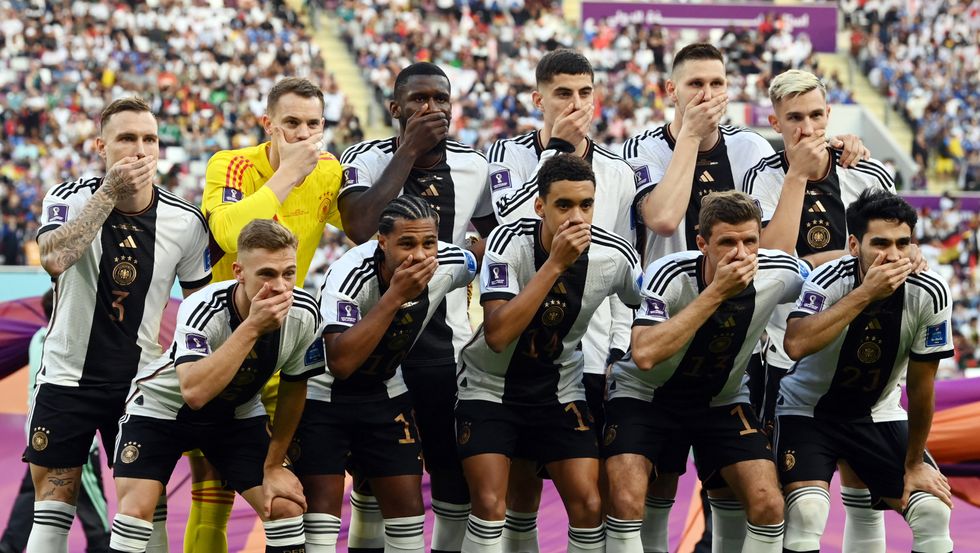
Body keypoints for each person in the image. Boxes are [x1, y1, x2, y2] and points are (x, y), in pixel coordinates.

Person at [621, 43, 867, 552]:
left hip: (740, 341)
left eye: (716, 84)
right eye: (694, 85)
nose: (706, 95)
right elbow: (664, 219)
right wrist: (689, 135)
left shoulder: (753, 149)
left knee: (734, 484)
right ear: (671, 90)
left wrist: (840, 146)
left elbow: (789, 217)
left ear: (729, 89)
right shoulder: (640, 148)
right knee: (657, 484)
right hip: (667, 319)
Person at [27, 97, 212, 553]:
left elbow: (199, 307)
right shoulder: (68, 197)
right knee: (53, 510)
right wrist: (108, 193)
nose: (140, 149)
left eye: (149, 139)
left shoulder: (186, 222)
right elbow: (54, 258)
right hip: (66, 381)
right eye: (127, 138)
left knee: (146, 513)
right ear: (101, 146)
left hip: (142, 389)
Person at [338, 62, 496, 553]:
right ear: (396, 109)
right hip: (375, 340)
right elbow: (360, 226)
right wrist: (408, 150)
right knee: (371, 473)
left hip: (441, 345)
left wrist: (473, 255)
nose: (432, 109)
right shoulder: (362, 159)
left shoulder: (474, 166)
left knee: (450, 470)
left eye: (441, 100)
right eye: (419, 101)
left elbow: (491, 235)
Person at [740, 69, 898, 550]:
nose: (806, 128)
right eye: (794, 119)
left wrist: (815, 263)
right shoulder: (763, 176)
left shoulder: (865, 172)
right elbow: (769, 265)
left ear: (829, 116)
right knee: (796, 501)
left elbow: (891, 257)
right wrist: (795, 176)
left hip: (858, 346)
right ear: (775, 122)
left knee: (865, 489)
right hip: (787, 356)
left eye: (815, 115)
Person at [486, 49, 636, 552]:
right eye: (562, 94)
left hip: (588, 354)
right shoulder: (504, 156)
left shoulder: (618, 170)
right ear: (538, 99)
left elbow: (621, 265)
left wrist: (618, 347)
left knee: (594, 494)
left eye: (584, 92)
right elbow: (511, 227)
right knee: (521, 486)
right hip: (517, 354)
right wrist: (557, 152)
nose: (575, 103)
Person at [455, 155, 642, 553]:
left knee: (590, 505)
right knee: (491, 505)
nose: (577, 216)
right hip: (489, 387)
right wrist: (555, 264)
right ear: (540, 207)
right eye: (564, 205)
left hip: (559, 389)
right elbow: (498, 335)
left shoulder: (615, 255)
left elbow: (643, 302)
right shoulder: (508, 242)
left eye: (586, 205)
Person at [603, 191, 804, 553]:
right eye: (727, 242)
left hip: (721, 399)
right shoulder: (669, 273)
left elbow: (834, 279)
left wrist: (910, 261)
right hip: (646, 397)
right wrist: (716, 293)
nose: (741, 254)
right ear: (702, 243)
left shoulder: (779, 270)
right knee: (628, 501)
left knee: (769, 505)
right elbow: (645, 353)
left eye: (750, 241)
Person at [194, 76, 343, 553]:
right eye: (291, 124)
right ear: (268, 125)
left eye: (313, 125)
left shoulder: (328, 171)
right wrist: (287, 176)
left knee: (290, 491)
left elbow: (364, 223)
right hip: (221, 338)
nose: (303, 135)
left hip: (283, 341)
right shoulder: (232, 165)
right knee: (212, 487)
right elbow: (230, 232)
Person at [109, 219, 323, 553]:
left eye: (288, 273)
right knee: (136, 515)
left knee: (284, 505)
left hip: (234, 414)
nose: (280, 286)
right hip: (161, 408)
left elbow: (295, 389)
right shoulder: (202, 308)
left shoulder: (305, 313)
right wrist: (252, 327)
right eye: (266, 274)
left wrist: (273, 465)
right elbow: (194, 393)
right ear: (239, 271)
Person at [292, 196, 478, 553]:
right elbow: (341, 363)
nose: (420, 256)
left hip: (384, 391)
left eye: (429, 243)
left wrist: (475, 246)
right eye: (406, 244)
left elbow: (476, 260)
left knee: (408, 518)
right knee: (321, 526)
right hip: (324, 396)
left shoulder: (448, 262)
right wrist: (394, 296)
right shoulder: (348, 274)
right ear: (382, 241)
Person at [777, 190, 954, 553]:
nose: (893, 255)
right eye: (881, 243)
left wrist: (915, 462)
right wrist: (865, 294)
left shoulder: (929, 291)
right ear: (855, 244)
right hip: (807, 411)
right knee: (808, 512)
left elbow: (921, 388)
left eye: (903, 243)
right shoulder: (829, 279)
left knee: (933, 512)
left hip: (878, 413)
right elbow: (795, 344)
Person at [1, 290, 110, 553]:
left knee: (33, 497)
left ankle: (9, 546)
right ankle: (102, 547)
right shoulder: (73, 341)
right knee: (97, 515)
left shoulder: (39, 338)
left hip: (38, 433)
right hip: (73, 437)